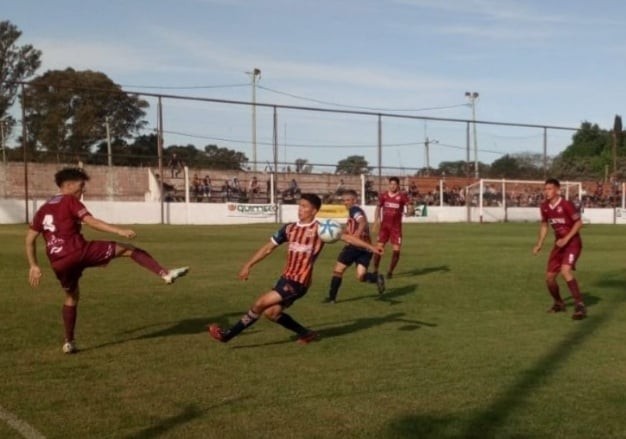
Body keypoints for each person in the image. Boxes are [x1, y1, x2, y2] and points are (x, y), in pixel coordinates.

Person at [25, 167, 189, 354]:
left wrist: (33, 265)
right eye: (81, 186)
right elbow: (91, 222)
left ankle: (69, 342)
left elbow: (29, 240)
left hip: (58, 262)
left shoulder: (43, 208)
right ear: (68, 185)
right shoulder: (70, 200)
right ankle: (164, 273)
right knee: (129, 249)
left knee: (71, 297)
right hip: (79, 252)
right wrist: (119, 230)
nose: (83, 190)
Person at [208, 193, 382, 345]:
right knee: (272, 313)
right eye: (300, 206)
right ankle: (306, 333)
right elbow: (268, 247)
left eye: (305, 207)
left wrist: (372, 247)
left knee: (259, 304)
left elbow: (348, 238)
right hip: (286, 277)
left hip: (299, 281)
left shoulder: (321, 229)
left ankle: (227, 335)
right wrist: (248, 265)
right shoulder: (289, 228)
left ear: (314, 211)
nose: (300, 209)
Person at [532, 178, 586, 320]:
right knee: (549, 278)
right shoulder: (544, 206)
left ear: (557, 190)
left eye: (550, 189)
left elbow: (579, 223)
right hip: (559, 244)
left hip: (573, 243)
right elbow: (544, 225)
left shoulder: (566, 205)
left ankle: (580, 305)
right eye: (545, 189)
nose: (546, 192)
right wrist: (539, 244)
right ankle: (559, 303)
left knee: (565, 271)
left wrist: (566, 238)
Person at [324, 190, 385, 304]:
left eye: (348, 200)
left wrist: (357, 234)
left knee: (338, 271)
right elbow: (354, 226)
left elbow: (362, 222)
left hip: (355, 246)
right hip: (366, 249)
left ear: (354, 200)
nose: (345, 202)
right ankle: (376, 278)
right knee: (361, 276)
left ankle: (332, 298)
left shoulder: (354, 209)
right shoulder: (355, 212)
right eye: (344, 200)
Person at [369, 176, 411, 280]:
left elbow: (410, 207)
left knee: (396, 250)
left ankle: (390, 271)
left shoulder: (402, 197)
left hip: (396, 229)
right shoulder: (383, 195)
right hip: (384, 228)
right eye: (391, 184)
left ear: (398, 185)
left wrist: (410, 212)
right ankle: (375, 270)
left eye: (394, 184)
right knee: (379, 248)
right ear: (389, 185)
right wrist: (376, 219)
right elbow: (378, 207)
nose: (392, 186)